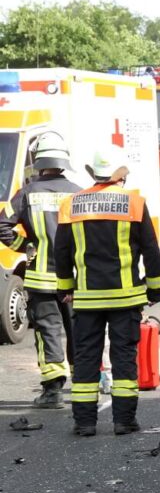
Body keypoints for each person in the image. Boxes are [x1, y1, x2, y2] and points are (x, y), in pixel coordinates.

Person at [55, 149, 160, 436]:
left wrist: (66, 287)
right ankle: (124, 421)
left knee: (86, 358)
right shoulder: (135, 203)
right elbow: (151, 251)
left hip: (87, 299)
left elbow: (62, 252)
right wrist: (155, 290)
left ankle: (85, 423)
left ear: (93, 173)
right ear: (121, 175)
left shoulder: (71, 204)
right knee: (124, 357)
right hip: (125, 299)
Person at [0, 133, 82, 408]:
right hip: (76, 279)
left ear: (38, 161)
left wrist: (27, 247)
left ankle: (53, 392)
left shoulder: (27, 193)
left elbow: (2, 226)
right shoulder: (78, 193)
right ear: (63, 160)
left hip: (41, 280)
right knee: (79, 331)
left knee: (48, 332)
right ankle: (84, 385)